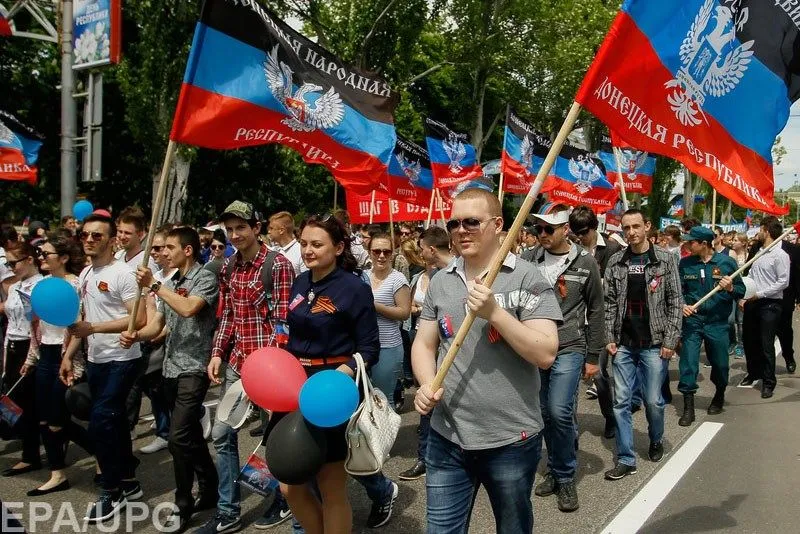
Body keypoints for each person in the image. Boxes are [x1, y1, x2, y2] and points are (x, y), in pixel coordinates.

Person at [413, 188, 562, 533]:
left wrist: (494, 312)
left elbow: (545, 353)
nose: (460, 230)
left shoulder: (528, 277)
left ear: (497, 225)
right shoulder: (441, 281)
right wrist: (424, 383)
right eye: (454, 223)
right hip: (447, 435)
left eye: (471, 222)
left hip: (510, 439)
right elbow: (424, 343)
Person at [279, 213, 384, 534]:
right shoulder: (300, 281)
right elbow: (289, 335)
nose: (308, 250)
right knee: (290, 486)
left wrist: (345, 370)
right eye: (305, 244)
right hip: (294, 388)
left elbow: (370, 347)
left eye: (317, 244)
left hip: (332, 393)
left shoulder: (354, 288)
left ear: (338, 248)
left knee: (330, 487)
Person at [198, 201, 295, 534]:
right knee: (223, 435)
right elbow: (228, 316)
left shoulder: (277, 265)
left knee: (274, 439)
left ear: (256, 227)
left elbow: (284, 322)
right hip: (237, 364)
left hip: (269, 369)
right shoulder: (227, 267)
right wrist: (217, 352)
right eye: (230, 229)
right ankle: (228, 511)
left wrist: (272, 365)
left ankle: (283, 498)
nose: (235, 234)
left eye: (241, 227)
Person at [120, 227, 220, 532]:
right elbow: (159, 326)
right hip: (170, 367)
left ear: (187, 250)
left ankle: (182, 504)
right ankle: (211, 487)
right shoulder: (170, 282)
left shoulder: (205, 278)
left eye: (169, 248)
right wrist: (136, 335)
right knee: (187, 434)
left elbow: (189, 309)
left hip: (195, 368)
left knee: (177, 437)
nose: (163, 253)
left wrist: (154, 286)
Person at [60, 213, 147, 522]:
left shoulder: (123, 273)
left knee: (100, 421)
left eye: (97, 236)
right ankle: (129, 480)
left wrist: (94, 328)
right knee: (115, 422)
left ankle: (111, 489)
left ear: (112, 241)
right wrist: (69, 354)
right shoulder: (85, 273)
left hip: (122, 359)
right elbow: (81, 321)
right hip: (96, 360)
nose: (89, 240)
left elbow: (138, 320)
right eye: (85, 235)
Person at [527, 206, 604, 513]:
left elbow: (596, 309)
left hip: (570, 345)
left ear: (564, 230)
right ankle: (556, 470)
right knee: (544, 412)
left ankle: (566, 476)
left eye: (548, 229)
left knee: (560, 411)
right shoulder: (527, 260)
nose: (541, 235)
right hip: (534, 345)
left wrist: (594, 355)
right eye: (538, 229)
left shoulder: (585, 262)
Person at [603, 209, 682, 481]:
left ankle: (656, 438)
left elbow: (675, 302)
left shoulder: (665, 259)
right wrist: (609, 338)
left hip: (653, 343)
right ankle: (626, 458)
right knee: (620, 402)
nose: (631, 232)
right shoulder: (615, 261)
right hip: (623, 344)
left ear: (647, 226)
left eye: (636, 226)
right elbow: (610, 303)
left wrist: (670, 341)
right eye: (626, 228)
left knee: (653, 401)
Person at [25, 236, 94, 496]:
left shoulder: (75, 285)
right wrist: (31, 358)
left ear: (63, 258)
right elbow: (37, 326)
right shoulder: (41, 286)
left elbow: (79, 326)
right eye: (40, 254)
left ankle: (102, 454)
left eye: (46, 254)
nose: (41, 258)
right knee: (44, 419)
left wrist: (68, 358)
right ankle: (57, 474)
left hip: (67, 356)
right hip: (46, 354)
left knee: (58, 420)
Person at [399, 226, 453, 481]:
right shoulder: (420, 276)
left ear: (432, 250)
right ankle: (425, 458)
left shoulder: (456, 276)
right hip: (424, 345)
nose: (420, 253)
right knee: (426, 401)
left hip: (449, 351)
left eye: (422, 249)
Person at [677, 226, 744, 426]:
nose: (687, 245)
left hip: (718, 323)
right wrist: (682, 305)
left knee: (721, 365)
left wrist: (731, 287)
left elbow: (741, 289)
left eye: (691, 242)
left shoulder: (727, 263)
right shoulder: (685, 263)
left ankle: (719, 393)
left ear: (704, 244)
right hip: (693, 322)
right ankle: (688, 407)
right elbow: (678, 290)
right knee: (688, 363)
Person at [567, 206, 620, 435]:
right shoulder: (570, 248)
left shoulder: (612, 249)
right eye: (575, 232)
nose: (579, 236)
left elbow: (616, 287)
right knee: (570, 376)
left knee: (598, 373)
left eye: (583, 231)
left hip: (601, 320)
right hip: (576, 321)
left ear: (594, 227)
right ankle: (569, 425)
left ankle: (610, 416)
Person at [127, 228, 174, 453]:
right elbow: (151, 309)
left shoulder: (176, 277)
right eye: (150, 248)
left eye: (157, 248)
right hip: (152, 338)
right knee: (152, 386)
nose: (153, 253)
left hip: (170, 343)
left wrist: (159, 333)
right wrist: (140, 334)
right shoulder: (154, 277)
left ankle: (174, 427)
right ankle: (164, 431)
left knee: (162, 387)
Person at [0, 241, 43, 477]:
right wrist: (7, 355)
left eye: (13, 263)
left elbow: (35, 326)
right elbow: (11, 324)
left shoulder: (40, 285)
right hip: (14, 345)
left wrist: (31, 357)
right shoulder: (14, 286)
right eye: (7, 263)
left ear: (29, 259)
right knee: (14, 402)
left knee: (28, 403)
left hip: (30, 346)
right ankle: (30, 452)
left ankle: (32, 455)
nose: (10, 268)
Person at [738, 216, 790, 398]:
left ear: (767, 231)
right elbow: (751, 274)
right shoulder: (759, 251)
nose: (758, 232)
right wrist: (744, 296)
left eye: (760, 229)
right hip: (752, 302)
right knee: (749, 340)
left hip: (770, 304)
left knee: (766, 343)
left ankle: (769, 381)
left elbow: (783, 282)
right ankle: (754, 372)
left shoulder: (780, 255)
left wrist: (760, 294)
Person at [778, 233, 800, 374]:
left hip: (786, 296)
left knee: (784, 330)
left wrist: (799, 298)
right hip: (762, 297)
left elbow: (798, 275)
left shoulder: (792, 249)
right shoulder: (758, 248)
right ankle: (762, 369)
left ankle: (788, 357)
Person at [114, 207, 158, 272]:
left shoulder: (147, 262)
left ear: (140, 234)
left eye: (127, 233)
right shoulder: (118, 256)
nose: (122, 237)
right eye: (120, 232)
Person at [728, 233, 748, 357]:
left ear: (743, 243)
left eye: (736, 240)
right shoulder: (729, 255)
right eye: (732, 240)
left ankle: (741, 346)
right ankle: (732, 342)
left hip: (744, 290)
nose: (733, 242)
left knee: (740, 320)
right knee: (730, 320)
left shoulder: (749, 255)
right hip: (731, 289)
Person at [268, 211, 305, 276]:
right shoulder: (272, 251)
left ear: (281, 230)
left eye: (271, 228)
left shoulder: (301, 252)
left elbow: (306, 281)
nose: (269, 231)